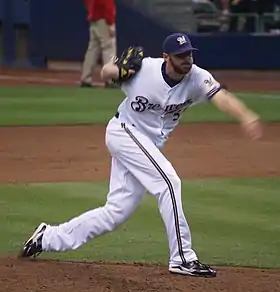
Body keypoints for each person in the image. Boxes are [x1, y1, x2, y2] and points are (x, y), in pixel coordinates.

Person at [18, 33, 262, 277]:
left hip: (147, 145)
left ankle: (47, 237)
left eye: (189, 53)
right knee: (169, 182)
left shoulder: (198, 77)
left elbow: (221, 96)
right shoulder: (145, 69)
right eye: (180, 55)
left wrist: (246, 116)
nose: (187, 59)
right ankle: (183, 258)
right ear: (166, 57)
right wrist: (115, 67)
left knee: (115, 212)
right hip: (124, 132)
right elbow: (105, 74)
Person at [80, 0, 117, 88]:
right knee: (109, 49)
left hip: (94, 18)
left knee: (92, 50)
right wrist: (110, 22)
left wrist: (91, 11)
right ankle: (110, 79)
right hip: (104, 19)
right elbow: (108, 4)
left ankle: (85, 78)